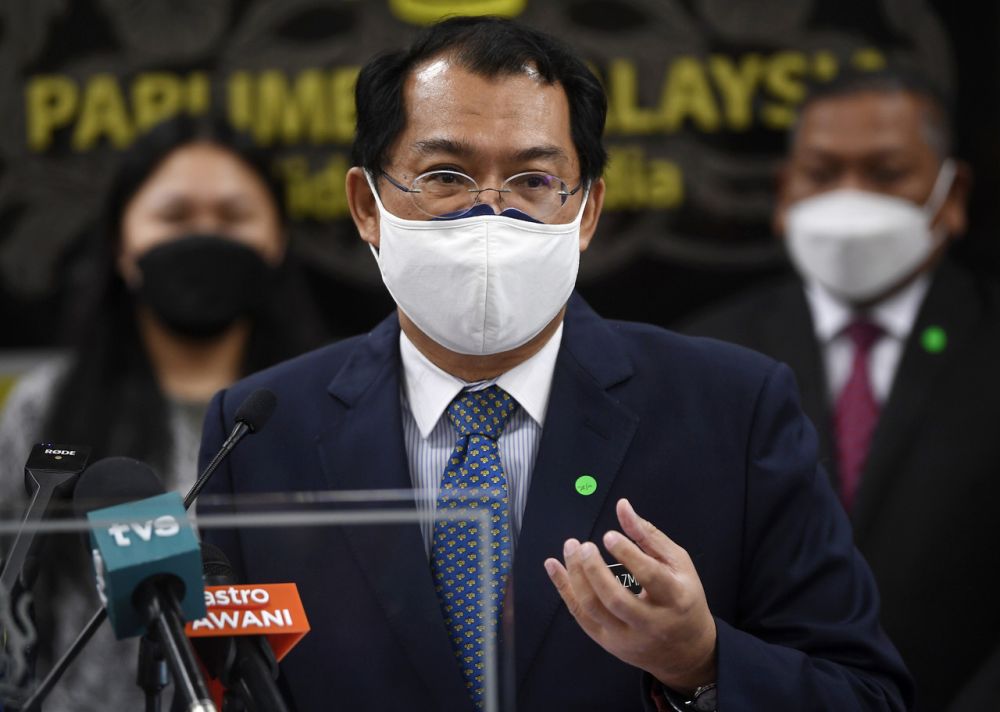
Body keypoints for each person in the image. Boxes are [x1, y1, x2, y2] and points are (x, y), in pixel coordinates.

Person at [199, 17, 912, 712]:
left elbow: (866, 693)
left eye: (533, 182)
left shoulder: (732, 410)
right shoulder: (258, 432)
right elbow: (215, 690)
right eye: (445, 176)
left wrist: (700, 663)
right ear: (367, 205)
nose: (490, 215)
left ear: (588, 211)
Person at [682, 70, 1000, 710]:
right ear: (783, 193)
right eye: (822, 175)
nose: (850, 201)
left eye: (886, 174)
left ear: (952, 193)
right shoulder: (702, 356)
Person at [0, 115, 329, 710]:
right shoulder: (41, 413)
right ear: (124, 247)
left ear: (276, 242)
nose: (204, 236)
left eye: (233, 217)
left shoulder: (325, 405)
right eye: (175, 217)